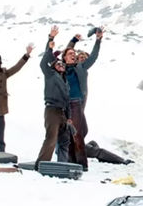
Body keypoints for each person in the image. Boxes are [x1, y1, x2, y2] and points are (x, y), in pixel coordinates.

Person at [60, 30, 103, 169]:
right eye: (71, 55)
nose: (73, 55)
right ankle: (72, 161)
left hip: (77, 103)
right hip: (65, 104)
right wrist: (73, 40)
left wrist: (98, 40)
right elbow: (66, 51)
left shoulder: (81, 67)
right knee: (70, 133)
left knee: (79, 133)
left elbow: (94, 56)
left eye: (74, 54)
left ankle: (82, 164)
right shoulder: (62, 68)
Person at [36, 26, 73, 166]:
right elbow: (43, 61)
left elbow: (67, 100)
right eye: (58, 64)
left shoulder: (65, 82)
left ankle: (62, 164)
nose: (61, 65)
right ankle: (42, 164)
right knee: (51, 138)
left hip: (63, 112)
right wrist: (50, 40)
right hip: (52, 109)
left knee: (65, 140)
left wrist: (69, 117)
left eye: (62, 64)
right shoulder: (50, 74)